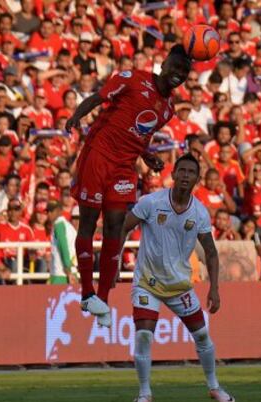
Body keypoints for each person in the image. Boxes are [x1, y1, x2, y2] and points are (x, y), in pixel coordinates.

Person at [65, 44, 192, 327]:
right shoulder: (131, 78)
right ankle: (87, 293)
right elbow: (98, 99)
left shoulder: (169, 108)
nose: (178, 75)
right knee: (88, 221)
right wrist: (77, 115)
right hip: (99, 154)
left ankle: (103, 301)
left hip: (125, 165)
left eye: (184, 72)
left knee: (116, 225)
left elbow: (140, 134)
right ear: (164, 65)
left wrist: (148, 156)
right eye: (176, 68)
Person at [119, 154, 235, 402]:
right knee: (144, 336)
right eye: (181, 170)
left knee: (203, 335)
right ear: (173, 175)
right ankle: (144, 392)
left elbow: (211, 252)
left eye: (190, 172)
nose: (184, 175)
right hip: (147, 282)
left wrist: (214, 288)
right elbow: (124, 227)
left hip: (179, 285)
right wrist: (113, 260)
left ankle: (214, 386)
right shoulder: (151, 202)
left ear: (196, 178)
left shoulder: (200, 212)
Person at [47, 201, 77, 285]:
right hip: (70, 271)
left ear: (59, 211)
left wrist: (68, 268)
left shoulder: (59, 225)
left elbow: (63, 246)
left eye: (52, 211)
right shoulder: (68, 226)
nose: (49, 214)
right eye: (48, 211)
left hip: (61, 273)